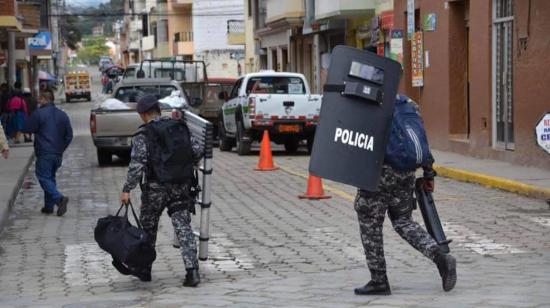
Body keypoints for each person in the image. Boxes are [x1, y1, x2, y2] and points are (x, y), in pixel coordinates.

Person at [353, 95, 457, 296]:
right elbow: (420, 137)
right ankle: (440, 257)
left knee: (370, 222)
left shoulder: (369, 103)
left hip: (378, 172)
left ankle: (379, 280)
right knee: (403, 220)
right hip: (405, 171)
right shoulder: (407, 103)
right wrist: (428, 172)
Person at [120, 95, 203, 287]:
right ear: (158, 109)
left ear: (142, 114)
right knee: (183, 228)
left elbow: (137, 164)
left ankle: (144, 270)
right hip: (180, 186)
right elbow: (197, 149)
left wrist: (127, 189)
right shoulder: (178, 126)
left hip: (155, 188)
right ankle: (192, 272)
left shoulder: (144, 134)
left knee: (148, 229)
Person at [23, 91, 73, 215]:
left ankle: (59, 199)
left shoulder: (39, 113)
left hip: (44, 152)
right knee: (50, 178)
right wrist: (61, 148)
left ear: (45, 99)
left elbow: (27, 128)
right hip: (57, 153)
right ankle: (48, 206)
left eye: (40, 99)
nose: (38, 101)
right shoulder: (63, 115)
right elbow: (69, 135)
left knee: (43, 177)